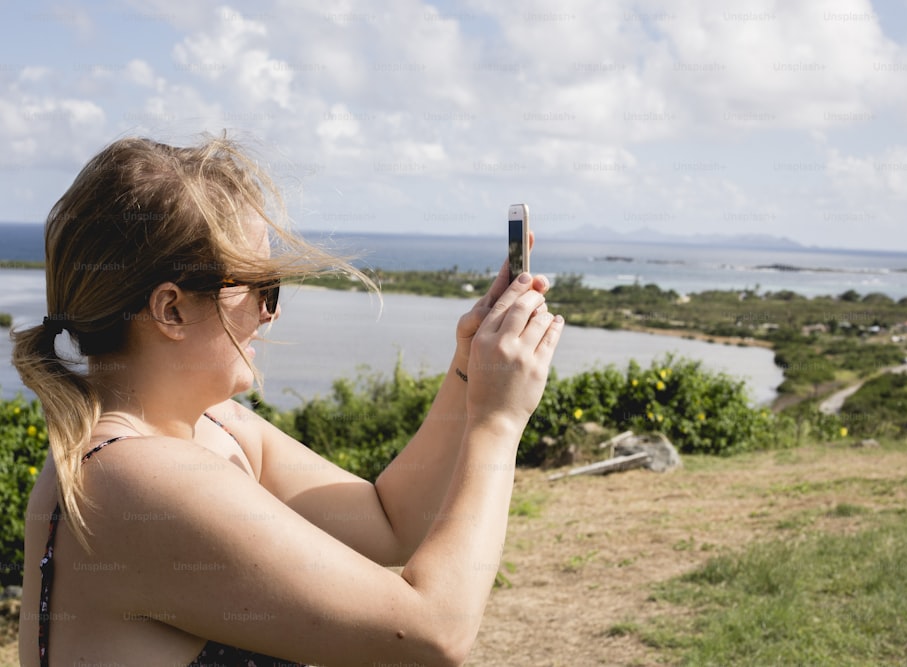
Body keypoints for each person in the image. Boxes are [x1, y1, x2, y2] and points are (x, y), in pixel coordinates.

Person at [13, 134, 564, 666]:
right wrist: (497, 422)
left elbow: (391, 521)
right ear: (171, 310)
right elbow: (433, 633)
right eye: (261, 287)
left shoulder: (214, 428)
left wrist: (468, 370)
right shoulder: (134, 476)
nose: (271, 313)